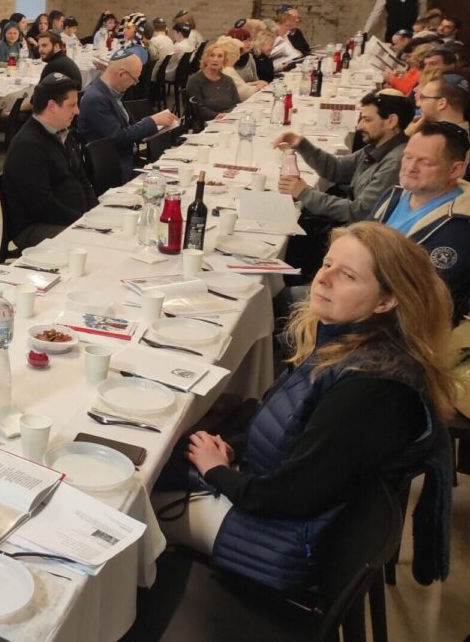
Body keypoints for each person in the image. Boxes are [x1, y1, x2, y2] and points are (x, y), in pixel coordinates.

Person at [160, 222, 455, 591]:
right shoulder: (347, 346)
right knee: (159, 460)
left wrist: (217, 471)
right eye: (327, 264)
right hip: (282, 504)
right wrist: (234, 447)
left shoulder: (371, 391)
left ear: (386, 301)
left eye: (347, 275)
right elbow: (288, 429)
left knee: (134, 507)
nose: (323, 279)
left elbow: (290, 496)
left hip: (287, 542)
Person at [372, 121, 470, 319]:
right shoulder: (394, 195)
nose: (410, 167)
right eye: (407, 157)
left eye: (425, 162)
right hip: (362, 296)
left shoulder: (461, 227)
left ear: (455, 170)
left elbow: (418, 298)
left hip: (398, 326)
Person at [275, 91, 414, 227]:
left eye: (367, 120)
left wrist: (304, 192)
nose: (359, 126)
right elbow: (337, 169)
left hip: (355, 233)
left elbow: (359, 212)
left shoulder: (395, 162)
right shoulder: (378, 146)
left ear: (391, 121)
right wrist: (301, 144)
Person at [0, 72, 96, 248]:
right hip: (36, 227)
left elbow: (82, 178)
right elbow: (42, 205)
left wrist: (94, 212)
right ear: (52, 106)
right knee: (94, 245)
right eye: (72, 105)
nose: (77, 111)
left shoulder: (61, 132)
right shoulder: (28, 147)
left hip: (70, 217)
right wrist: (83, 221)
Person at [79, 49, 179, 181]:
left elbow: (125, 129)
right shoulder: (96, 98)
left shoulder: (112, 92)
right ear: (121, 74)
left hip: (128, 159)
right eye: (135, 79)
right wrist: (152, 121)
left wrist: (154, 125)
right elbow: (118, 138)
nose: (134, 84)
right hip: (114, 168)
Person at [184, 43, 242, 121]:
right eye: (212, 55)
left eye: (220, 56)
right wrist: (217, 115)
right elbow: (198, 108)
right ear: (206, 59)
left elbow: (237, 104)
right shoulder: (195, 81)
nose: (215, 59)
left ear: (224, 60)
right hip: (206, 122)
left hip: (228, 119)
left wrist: (228, 115)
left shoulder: (228, 80)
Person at [211, 36, 267, 101]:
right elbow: (241, 93)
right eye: (236, 55)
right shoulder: (226, 70)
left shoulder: (227, 68)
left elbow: (239, 86)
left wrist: (254, 84)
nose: (237, 58)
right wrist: (257, 87)